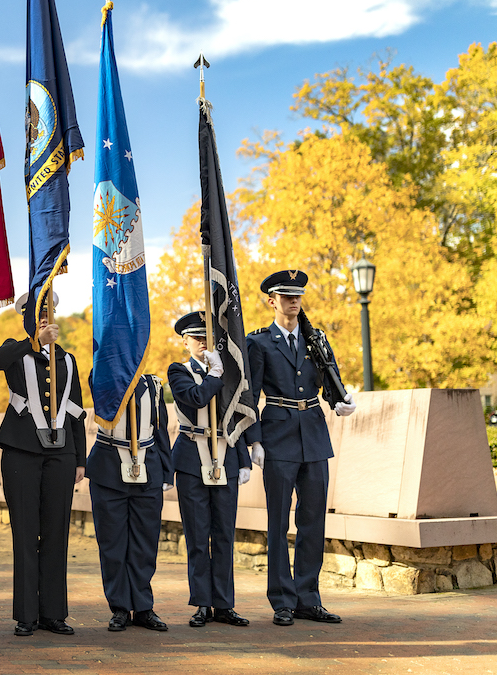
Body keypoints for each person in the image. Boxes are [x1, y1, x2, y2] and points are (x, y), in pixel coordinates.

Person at [245, 270, 356, 626]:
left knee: (312, 522)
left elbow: (329, 380)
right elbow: (249, 395)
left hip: (314, 435)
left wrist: (340, 400)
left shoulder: (315, 339)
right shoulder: (259, 343)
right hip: (277, 435)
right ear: (271, 300)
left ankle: (308, 598)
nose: (293, 301)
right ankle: (282, 600)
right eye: (286, 296)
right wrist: (255, 440)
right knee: (278, 522)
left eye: (298, 296)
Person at [0, 292, 86, 636]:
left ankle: (53, 613)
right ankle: (27, 615)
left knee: (56, 533)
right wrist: (32, 341)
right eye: (37, 315)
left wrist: (81, 460)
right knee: (26, 533)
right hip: (22, 452)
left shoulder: (68, 360)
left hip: (61, 455)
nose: (45, 319)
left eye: (49, 312)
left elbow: (75, 410)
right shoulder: (16, 352)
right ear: (26, 319)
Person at [168, 311, 251, 628]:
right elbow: (195, 399)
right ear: (185, 341)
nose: (203, 342)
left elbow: (233, 417)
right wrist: (215, 376)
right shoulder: (179, 371)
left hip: (225, 456)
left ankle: (224, 604)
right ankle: (202, 602)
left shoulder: (228, 373)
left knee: (224, 535)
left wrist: (242, 459)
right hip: (192, 459)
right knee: (198, 536)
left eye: (207, 336)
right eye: (196, 337)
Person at [86, 371, 173, 633]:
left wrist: (167, 471)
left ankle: (144, 606)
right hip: (109, 468)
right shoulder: (104, 376)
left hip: (148, 469)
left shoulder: (153, 385)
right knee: (113, 544)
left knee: (145, 543)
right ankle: (120, 607)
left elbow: (161, 428)